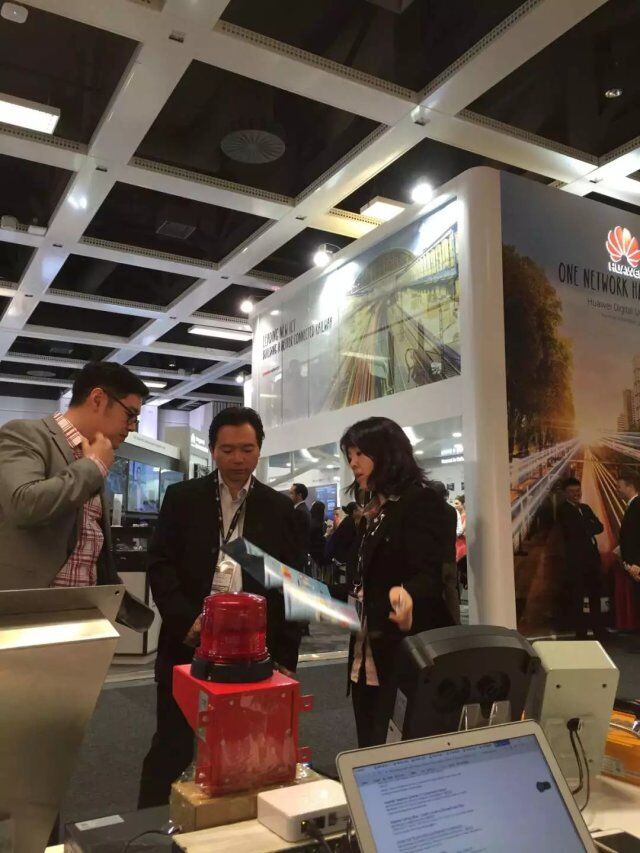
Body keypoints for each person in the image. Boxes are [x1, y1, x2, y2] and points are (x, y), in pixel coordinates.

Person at [139, 406, 305, 807]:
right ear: (213, 450)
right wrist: (186, 620)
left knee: (247, 748)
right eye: (227, 450)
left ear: (259, 449)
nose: (237, 459)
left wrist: (286, 655)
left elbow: (290, 585)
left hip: (255, 650)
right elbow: (160, 564)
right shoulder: (183, 499)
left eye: (247, 449)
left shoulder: (279, 509)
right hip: (189, 642)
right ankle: (150, 826)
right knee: (173, 744)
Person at [0, 361, 152, 630]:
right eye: (130, 415)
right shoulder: (26, 434)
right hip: (27, 618)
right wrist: (93, 466)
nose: (132, 427)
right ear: (98, 399)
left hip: (83, 619)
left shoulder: (92, 455)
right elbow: (23, 504)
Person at [341, 416, 453, 748]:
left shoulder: (420, 502)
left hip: (399, 648)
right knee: (369, 743)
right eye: (349, 455)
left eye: (360, 453)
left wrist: (407, 596)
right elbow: (364, 575)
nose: (353, 463)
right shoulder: (373, 509)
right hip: (365, 648)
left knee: (401, 746)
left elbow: (430, 574)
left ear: (387, 453)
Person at [556, 477, 604, 640]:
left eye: (578, 491)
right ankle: (581, 633)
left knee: (595, 596)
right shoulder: (563, 510)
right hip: (576, 562)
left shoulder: (585, 507)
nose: (576, 494)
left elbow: (600, 527)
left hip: (592, 560)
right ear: (565, 493)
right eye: (572, 492)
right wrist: (588, 526)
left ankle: (599, 630)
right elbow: (574, 530)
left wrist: (586, 526)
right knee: (578, 598)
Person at [429, 481, 460, 624]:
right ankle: (455, 623)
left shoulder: (430, 512)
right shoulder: (451, 510)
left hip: (436, 561)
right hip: (451, 558)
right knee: (452, 594)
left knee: (436, 595)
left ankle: (440, 626)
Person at [617, 468, 640, 624]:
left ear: (630, 486)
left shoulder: (637, 506)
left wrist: (637, 563)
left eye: (619, 486)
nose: (617, 490)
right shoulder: (633, 505)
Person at [289, 481, 311, 556]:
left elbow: (295, 536)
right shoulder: (302, 509)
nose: (289, 496)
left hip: (296, 554)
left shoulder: (299, 512)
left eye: (291, 493)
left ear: (299, 495)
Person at [309, 500, 327, 579]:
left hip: (311, 553)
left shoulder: (311, 521)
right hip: (315, 555)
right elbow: (318, 541)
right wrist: (327, 534)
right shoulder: (317, 525)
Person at [454, 495, 467, 589]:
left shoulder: (466, 516)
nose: (455, 505)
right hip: (456, 545)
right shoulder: (457, 517)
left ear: (462, 505)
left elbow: (461, 531)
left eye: (457, 503)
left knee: (461, 569)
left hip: (462, 546)